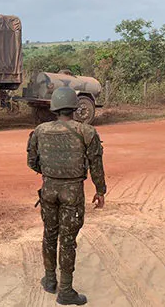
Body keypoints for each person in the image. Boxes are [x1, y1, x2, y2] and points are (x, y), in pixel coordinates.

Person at [27, 87, 107, 305]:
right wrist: (100, 191)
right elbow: (96, 166)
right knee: (68, 240)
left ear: (54, 107)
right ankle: (65, 290)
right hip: (72, 192)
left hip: (49, 190)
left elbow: (31, 161)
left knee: (49, 234)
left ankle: (50, 280)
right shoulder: (86, 132)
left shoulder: (40, 130)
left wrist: (50, 174)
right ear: (74, 107)